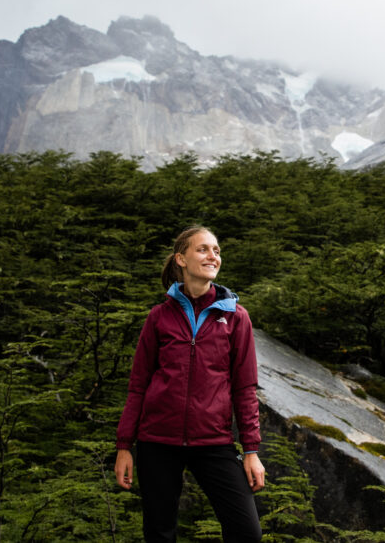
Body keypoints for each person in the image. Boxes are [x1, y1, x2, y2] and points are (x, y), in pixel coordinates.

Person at [115, 225, 266, 543]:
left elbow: (244, 387)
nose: (213, 255)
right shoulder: (159, 317)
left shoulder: (236, 317)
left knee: (246, 533)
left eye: (217, 250)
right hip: (157, 442)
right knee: (159, 533)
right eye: (203, 249)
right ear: (180, 259)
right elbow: (138, 385)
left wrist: (251, 450)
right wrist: (124, 446)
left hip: (214, 442)